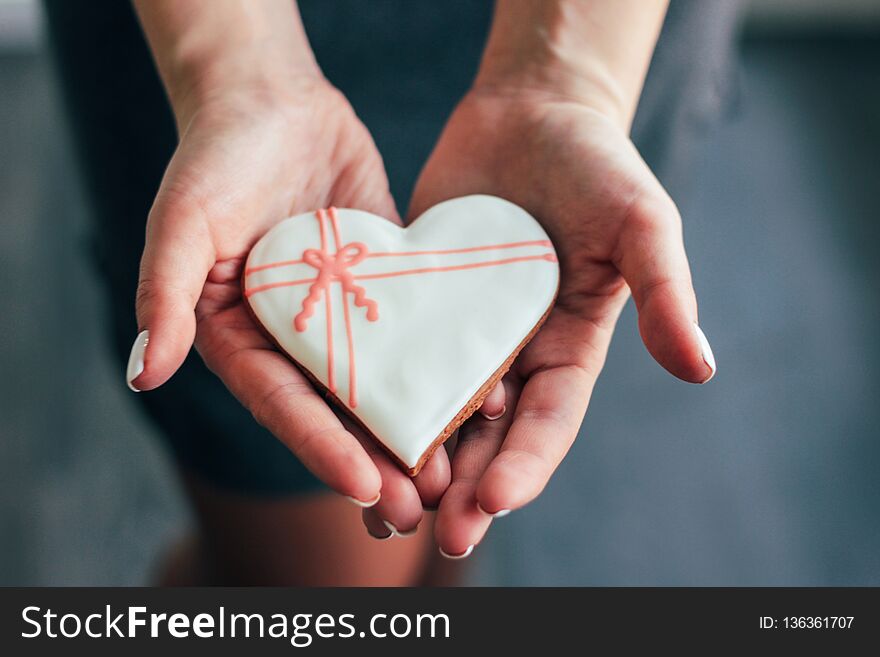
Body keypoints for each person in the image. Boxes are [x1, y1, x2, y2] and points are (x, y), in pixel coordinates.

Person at [46, 0, 740, 585]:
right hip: (213, 37)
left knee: (458, 512)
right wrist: (238, 78)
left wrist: (565, 77)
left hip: (602, 35)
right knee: (300, 577)